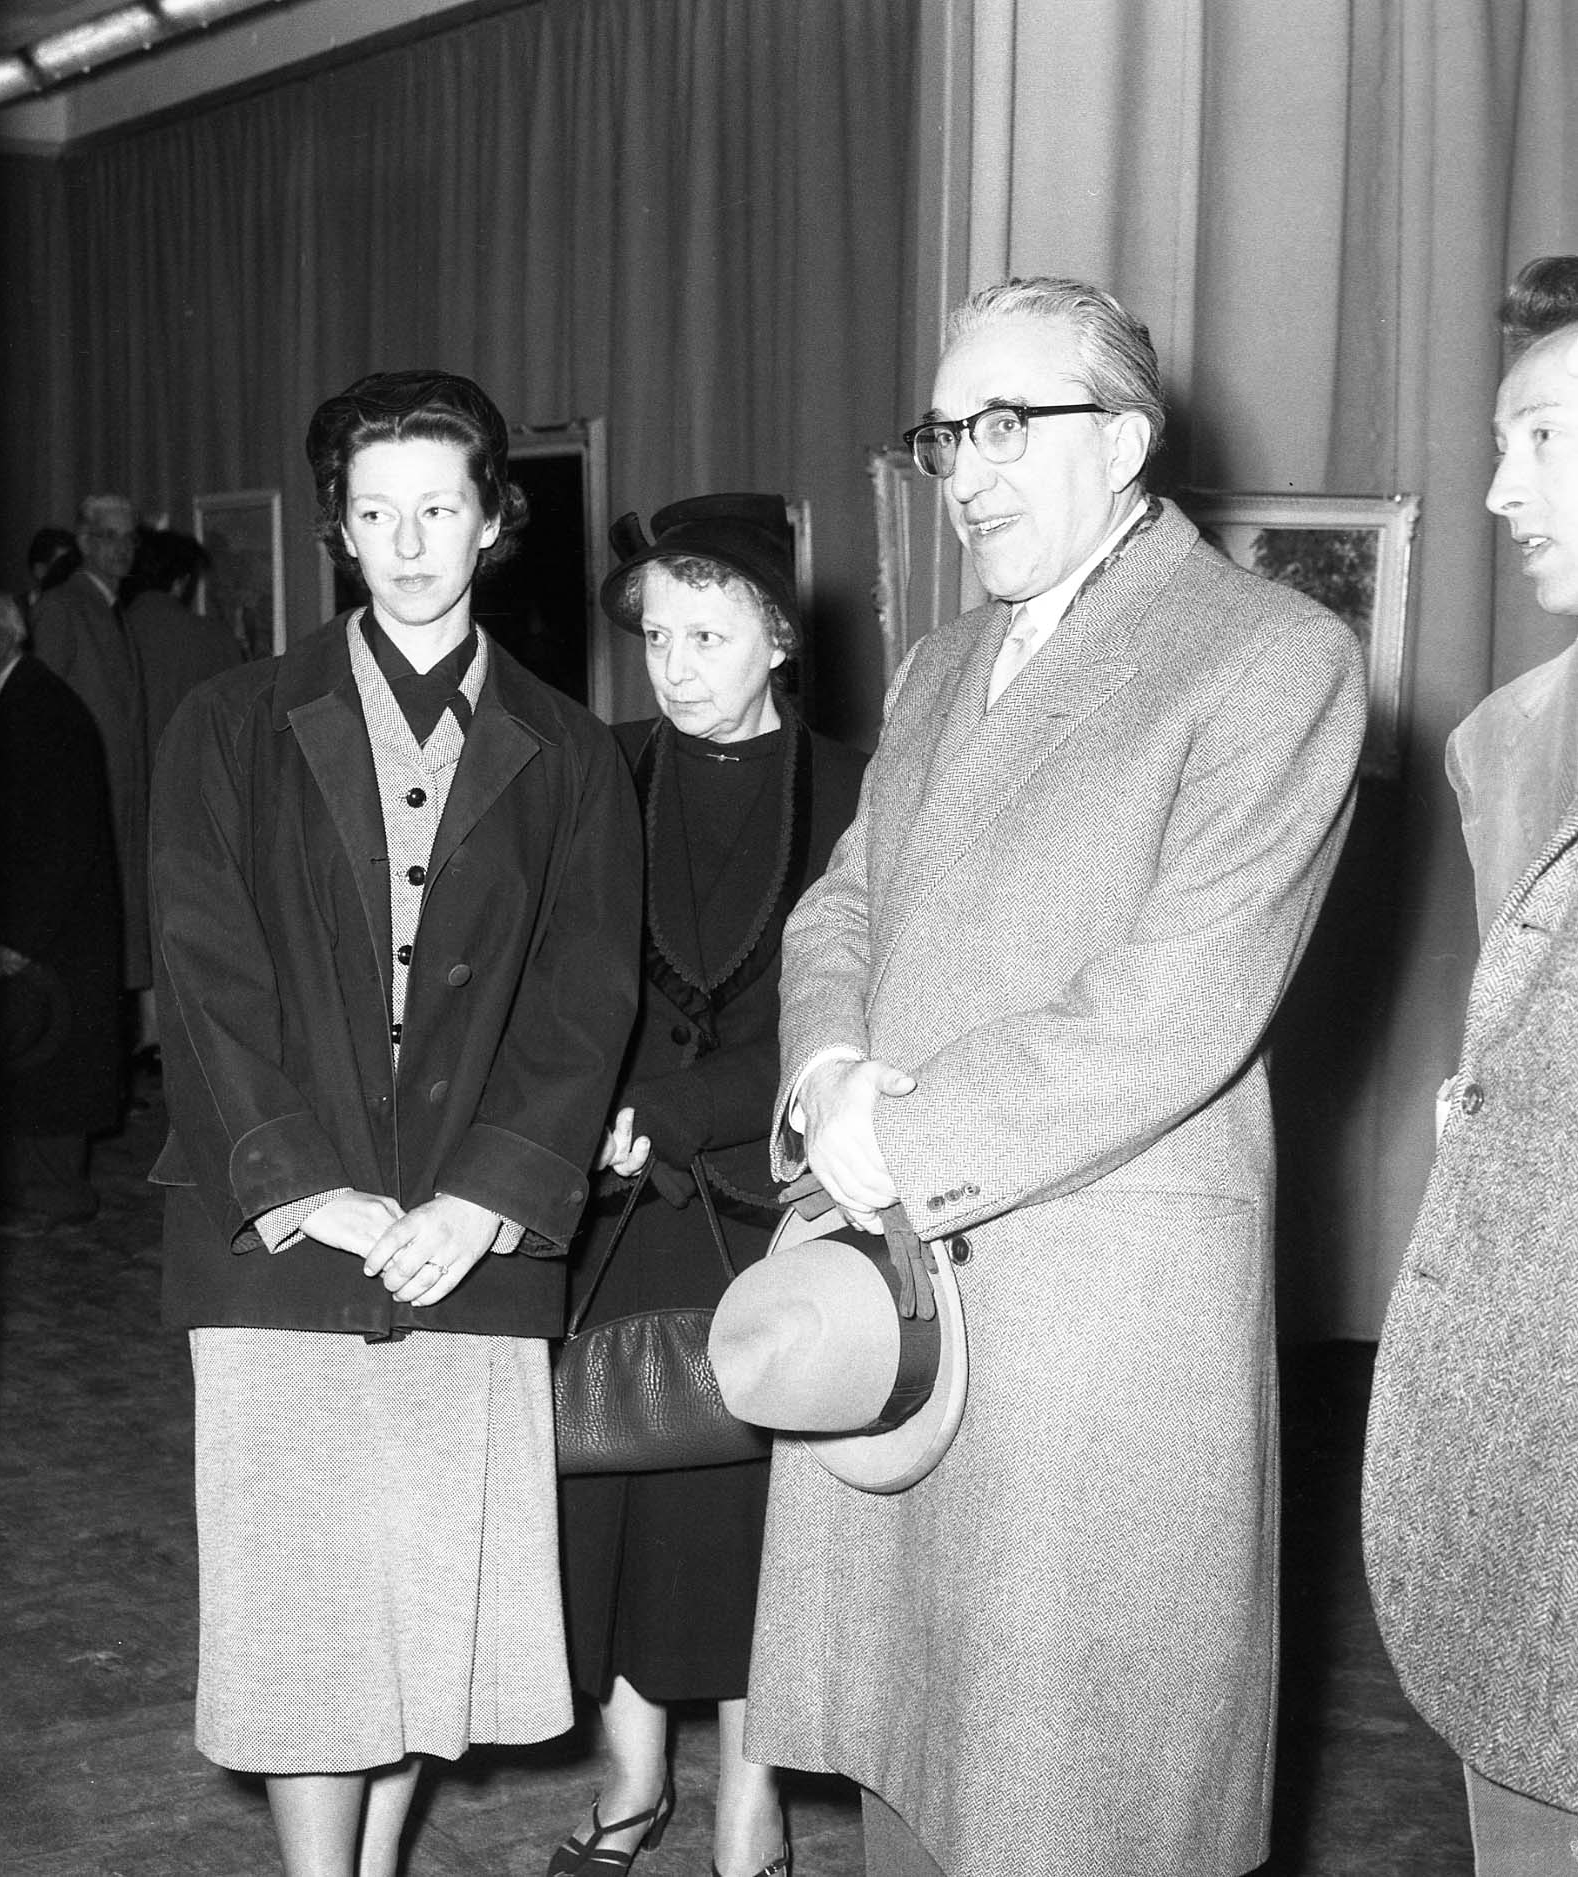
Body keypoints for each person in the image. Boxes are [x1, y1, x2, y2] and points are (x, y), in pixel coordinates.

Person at [749, 276, 1367, 1877]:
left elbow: (1176, 1005)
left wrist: (896, 1138)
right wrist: (826, 1063)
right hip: (895, 1273)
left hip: (1095, 1317)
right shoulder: (939, 663)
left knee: (1073, 1795)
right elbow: (843, 904)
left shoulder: (1266, 657)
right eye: (944, 434)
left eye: (1007, 425)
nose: (965, 470)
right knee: (904, 1757)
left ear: (1126, 443)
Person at [148, 368, 641, 1877]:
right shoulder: (229, 724)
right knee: (304, 1620)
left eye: (439, 509)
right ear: (338, 530)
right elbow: (204, 977)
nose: (409, 544)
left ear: (493, 521)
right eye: (376, 514)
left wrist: (485, 1200)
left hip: (470, 1245)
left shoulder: (571, 753)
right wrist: (310, 1189)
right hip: (280, 1240)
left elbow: (582, 1001)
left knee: (426, 1614)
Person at [552, 497, 867, 1877]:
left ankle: (750, 1808)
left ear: (778, 637)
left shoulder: (854, 789)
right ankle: (630, 1785)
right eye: (656, 637)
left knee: (745, 1519)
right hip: (609, 1201)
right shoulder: (601, 771)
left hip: (761, 1196)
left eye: (707, 634)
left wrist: (672, 1109)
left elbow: (847, 1002)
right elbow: (556, 981)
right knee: (605, 1491)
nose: (672, 667)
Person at [1361, 255, 1578, 1875]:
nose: (1498, 490)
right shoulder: (1500, 740)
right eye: (1498, 442)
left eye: (1542, 437)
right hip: (1517, 1411)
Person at [0, 588, 122, 1233]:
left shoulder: (42, 709)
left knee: (52, 1064)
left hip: (53, 931)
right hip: (43, 926)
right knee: (34, 1064)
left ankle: (54, 1198)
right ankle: (34, 1192)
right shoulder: (14, 700)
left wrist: (19, 937)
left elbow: (62, 840)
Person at [32, 493, 152, 998]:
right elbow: (41, 716)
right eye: (108, 537)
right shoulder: (64, 607)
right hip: (80, 805)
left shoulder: (112, 609)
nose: (121, 549)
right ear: (84, 542)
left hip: (117, 800)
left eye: (129, 538)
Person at [123, 525, 241, 764]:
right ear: (181, 582)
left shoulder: (113, 630)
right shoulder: (213, 637)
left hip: (129, 773)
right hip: (194, 770)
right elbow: (237, 716)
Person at [25, 524, 81, 614]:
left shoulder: (80, 613)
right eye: (63, 566)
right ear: (40, 570)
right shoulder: (12, 613)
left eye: (74, 567)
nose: (72, 575)